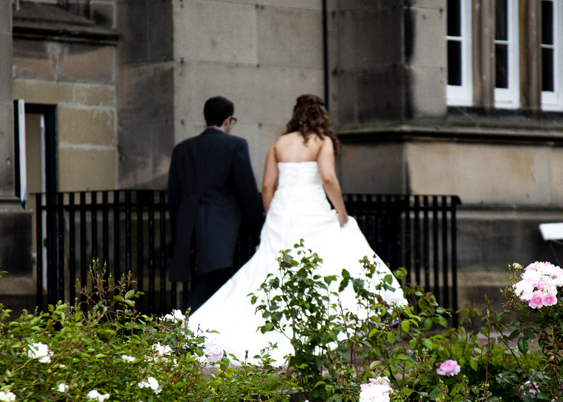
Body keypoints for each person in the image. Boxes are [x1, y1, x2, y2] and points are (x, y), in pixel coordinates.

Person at [189, 94, 405, 366]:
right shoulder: (322, 141)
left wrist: (271, 214)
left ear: (295, 114)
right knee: (327, 262)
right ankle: (319, 327)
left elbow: (267, 186)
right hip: (310, 211)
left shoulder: (279, 143)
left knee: (267, 272)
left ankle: (214, 328)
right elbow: (327, 177)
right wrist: (341, 211)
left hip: (282, 213)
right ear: (321, 115)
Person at [168, 96, 264, 312]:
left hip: (189, 226)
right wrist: (259, 227)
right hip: (221, 227)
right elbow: (246, 191)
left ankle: (200, 334)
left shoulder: (182, 149)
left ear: (204, 117)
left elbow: (174, 199)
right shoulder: (236, 145)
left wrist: (180, 236)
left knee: (215, 284)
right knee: (213, 284)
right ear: (228, 119)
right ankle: (186, 330)